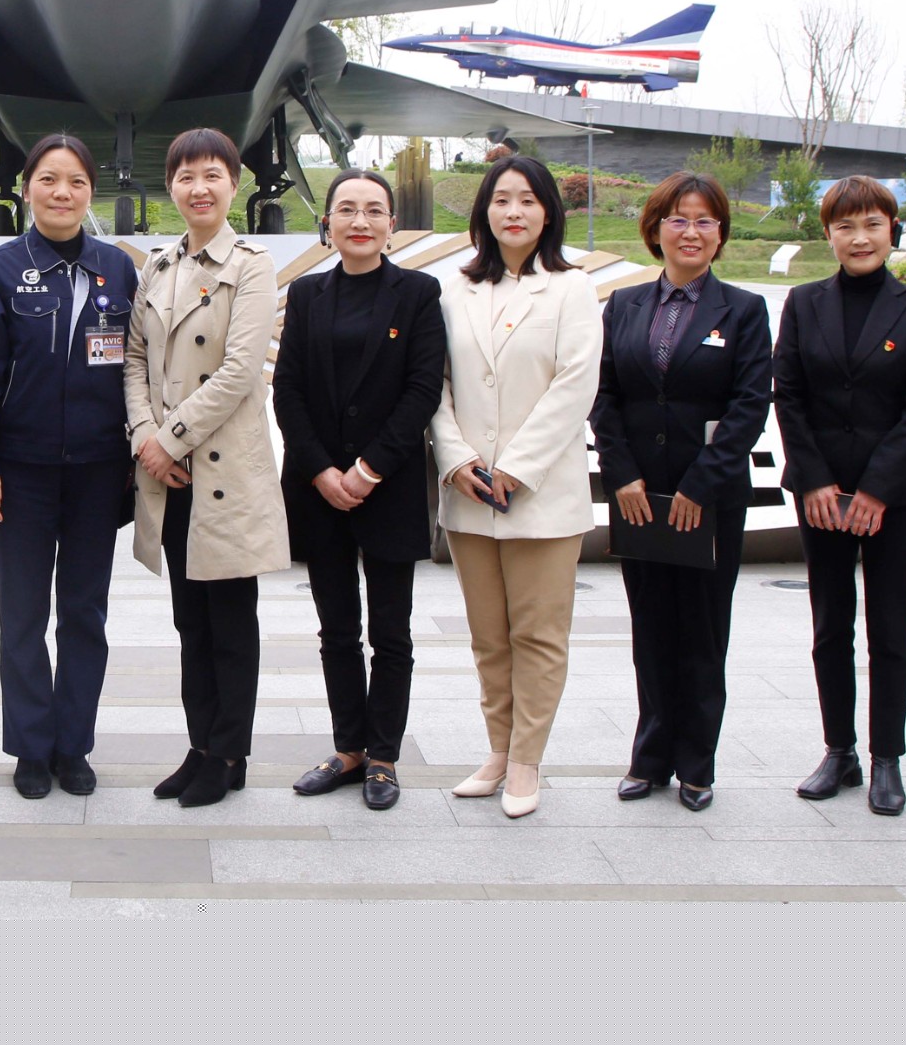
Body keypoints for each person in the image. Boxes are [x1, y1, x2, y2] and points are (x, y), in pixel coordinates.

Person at [0, 134, 141, 799]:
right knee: (24, 615)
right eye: (49, 180)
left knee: (85, 615)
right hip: (21, 473)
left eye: (77, 182)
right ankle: (31, 749)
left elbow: (135, 369)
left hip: (98, 471)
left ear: (92, 192)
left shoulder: (117, 269)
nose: (62, 193)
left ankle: (73, 746)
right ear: (27, 187)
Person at [427, 154, 602, 819]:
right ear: (484, 211)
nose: (514, 211)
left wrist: (516, 467)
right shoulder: (455, 290)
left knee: (539, 635)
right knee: (489, 637)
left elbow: (574, 386)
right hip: (470, 494)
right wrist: (457, 459)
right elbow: (437, 385)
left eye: (528, 200)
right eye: (502, 199)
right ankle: (497, 750)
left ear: (548, 212)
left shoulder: (572, 289)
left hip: (541, 496)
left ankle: (527, 759)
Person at [592, 171, 773, 811]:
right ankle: (649, 758)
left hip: (709, 500)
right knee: (650, 629)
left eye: (703, 220)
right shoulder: (623, 305)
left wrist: (702, 482)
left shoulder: (743, 311)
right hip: (639, 496)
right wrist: (622, 475)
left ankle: (697, 764)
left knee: (702, 630)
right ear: (656, 230)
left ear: (720, 234)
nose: (690, 231)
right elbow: (604, 395)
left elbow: (750, 405)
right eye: (677, 219)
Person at [772, 174, 906, 817]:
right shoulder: (804, 303)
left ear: (891, 230)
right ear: (829, 234)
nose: (860, 237)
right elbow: (788, 394)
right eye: (845, 226)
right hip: (820, 492)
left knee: (889, 628)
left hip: (892, 496)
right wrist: (815, 480)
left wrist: (876, 489)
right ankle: (838, 751)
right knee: (830, 626)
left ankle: (886, 758)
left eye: (872, 224)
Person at [125, 127, 289, 809]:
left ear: (235, 184)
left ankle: (228, 753)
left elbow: (239, 371)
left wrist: (171, 438)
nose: (199, 188)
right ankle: (201, 747)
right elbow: (135, 360)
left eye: (212, 175)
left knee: (231, 624)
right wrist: (145, 437)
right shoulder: (158, 266)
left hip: (222, 473)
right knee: (190, 623)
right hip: (169, 474)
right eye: (186, 176)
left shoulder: (252, 266)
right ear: (171, 186)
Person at [274, 169, 445, 813]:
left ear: (392, 224)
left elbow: (422, 390)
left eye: (374, 210)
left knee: (391, 632)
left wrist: (368, 468)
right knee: (337, 629)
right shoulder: (308, 294)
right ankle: (348, 748)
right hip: (319, 489)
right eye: (347, 209)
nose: (360, 221)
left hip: (389, 486)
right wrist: (322, 470)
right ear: (328, 223)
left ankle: (384, 756)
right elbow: (287, 389)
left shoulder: (419, 293)